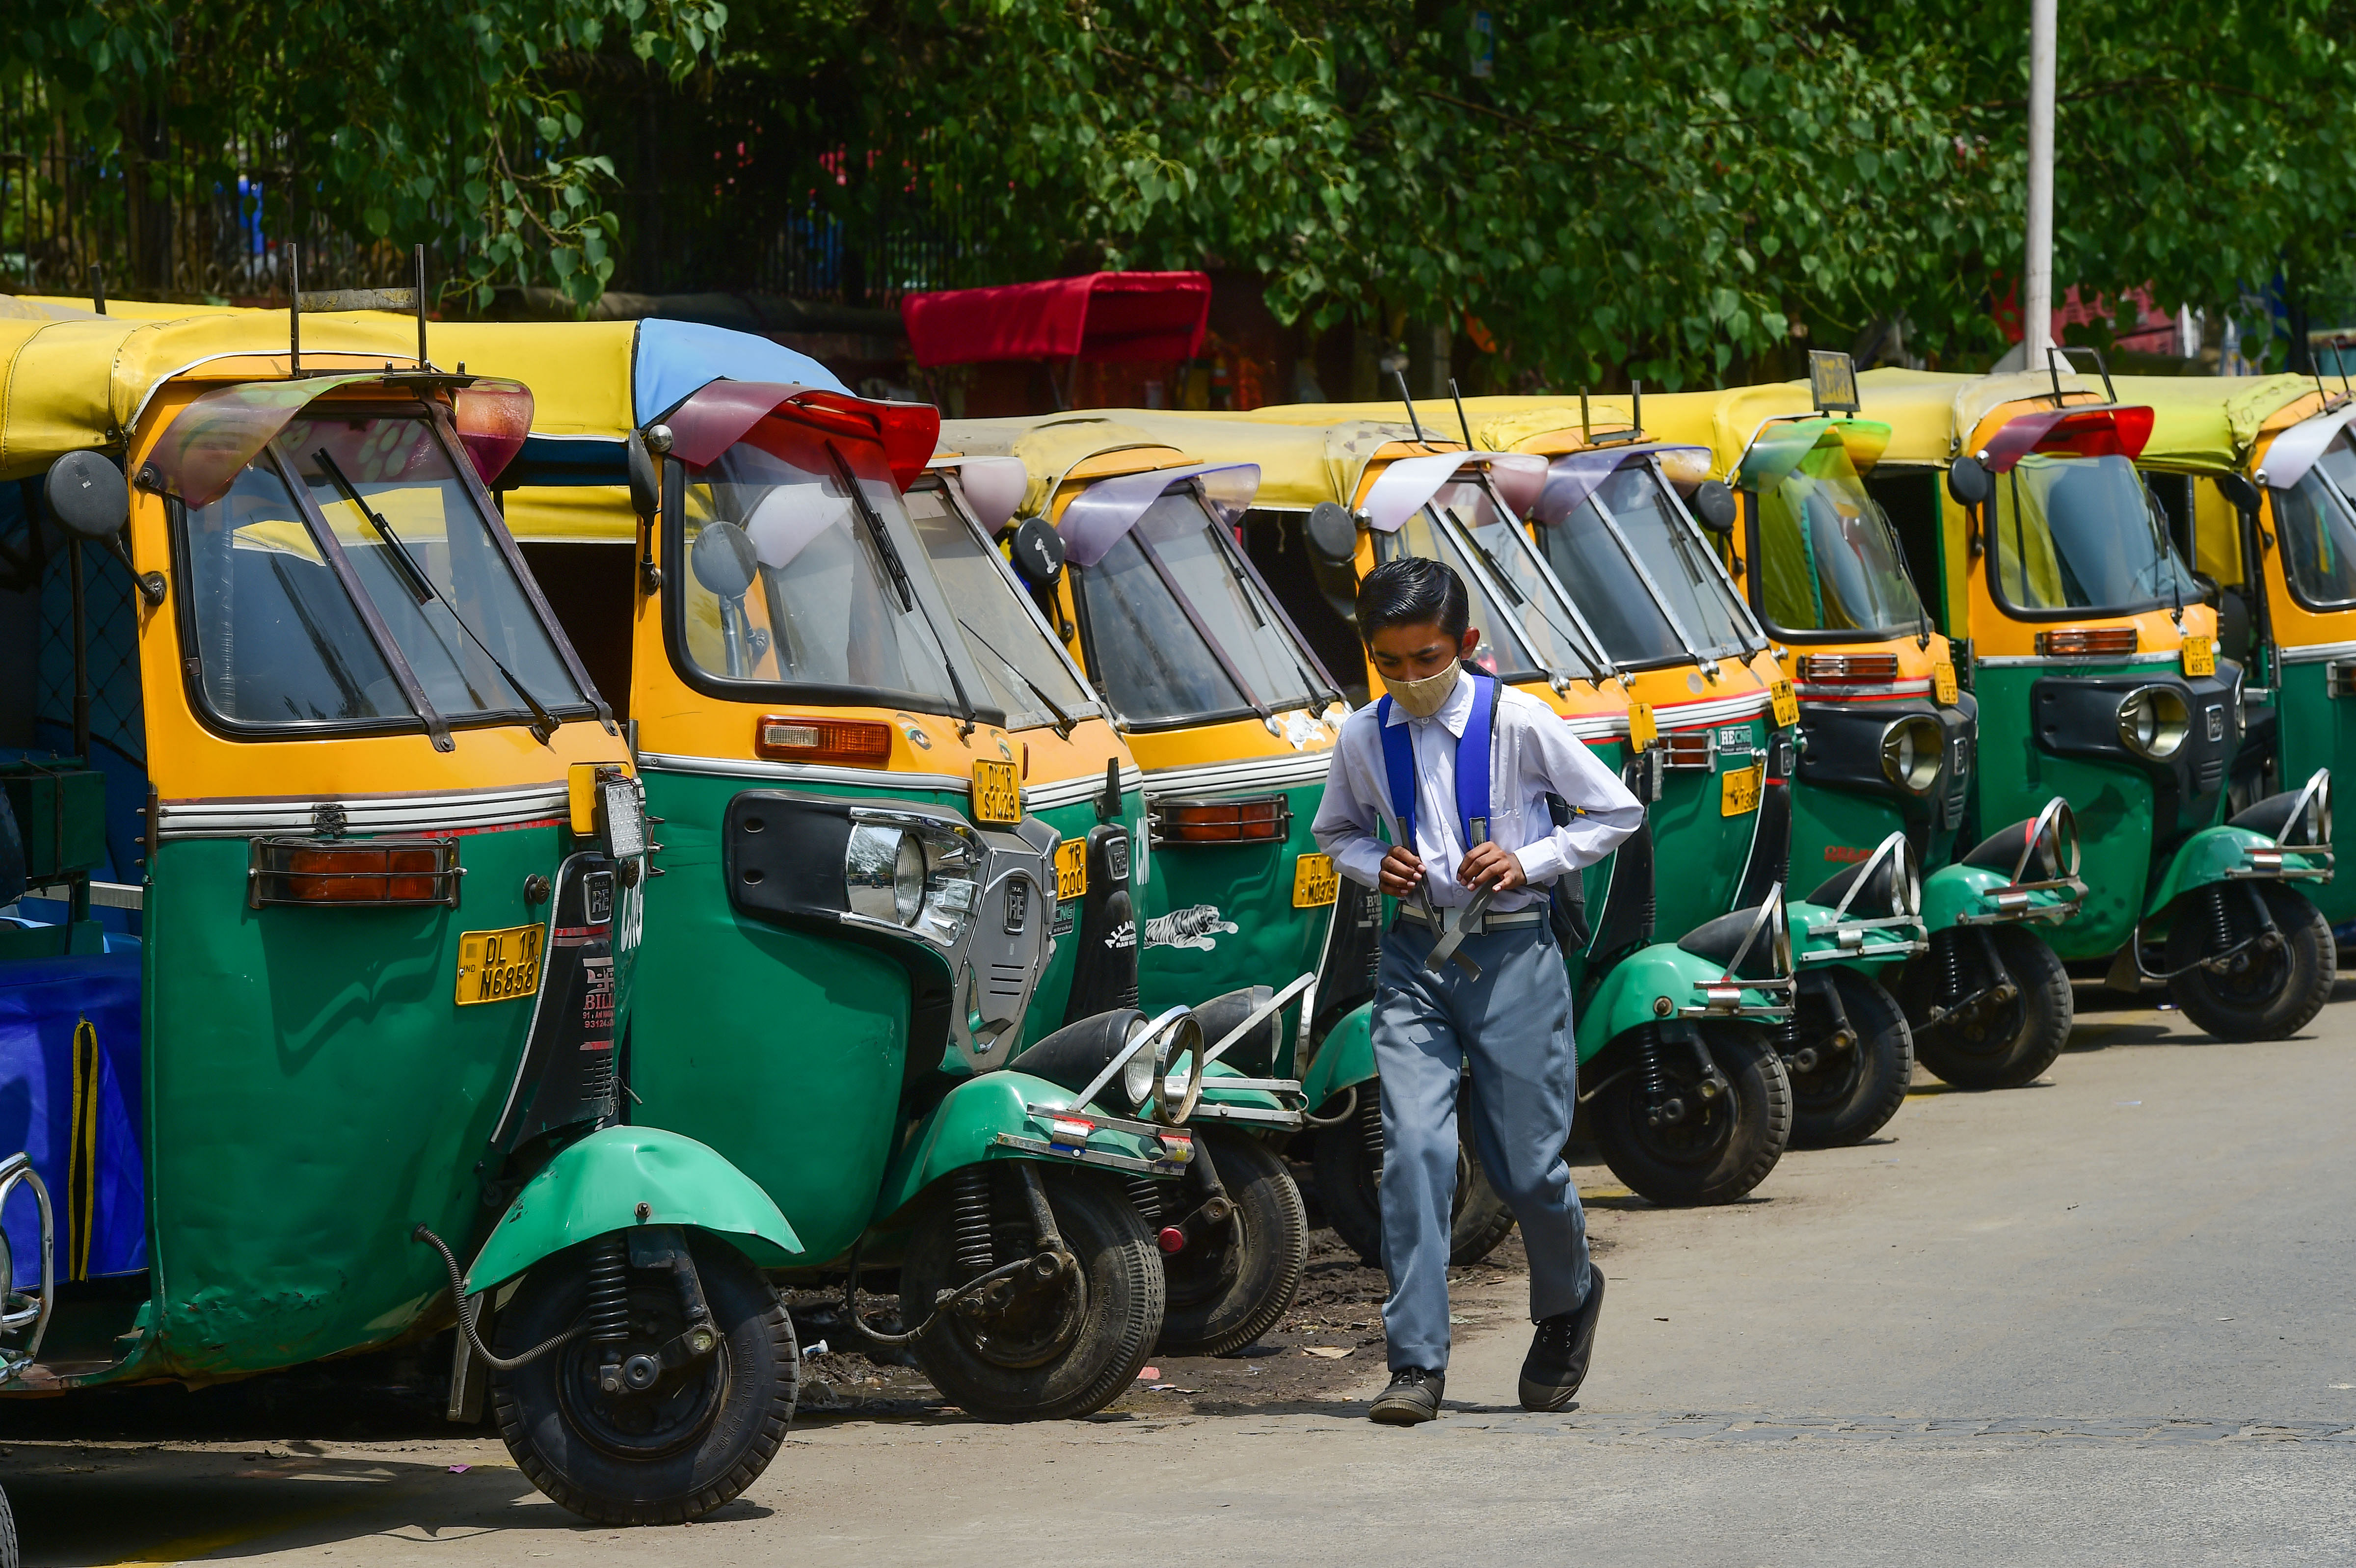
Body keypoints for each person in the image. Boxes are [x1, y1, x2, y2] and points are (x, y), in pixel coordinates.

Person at [1312, 557, 1644, 1425]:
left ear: (1466, 644)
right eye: (1392, 664)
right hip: (1416, 959)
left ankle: (1569, 1297)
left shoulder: (1521, 723)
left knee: (1527, 1169)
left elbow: (1616, 813)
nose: (1412, 679)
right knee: (1414, 1153)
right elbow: (1335, 833)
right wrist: (1366, 863)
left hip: (1513, 957)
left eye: (1428, 658)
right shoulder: (1360, 737)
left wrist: (1531, 859)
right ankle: (1415, 1364)